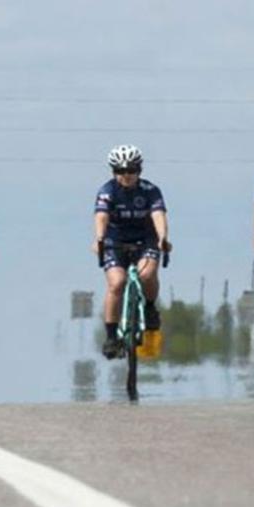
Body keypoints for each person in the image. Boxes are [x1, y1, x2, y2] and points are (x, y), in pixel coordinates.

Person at [93, 144, 168, 360]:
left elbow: (159, 216)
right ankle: (111, 337)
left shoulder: (150, 191)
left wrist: (163, 237)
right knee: (116, 283)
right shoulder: (107, 192)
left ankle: (151, 308)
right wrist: (99, 238)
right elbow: (101, 218)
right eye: (120, 171)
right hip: (114, 240)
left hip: (146, 239)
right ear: (113, 172)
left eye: (131, 171)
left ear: (139, 170)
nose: (126, 176)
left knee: (146, 274)